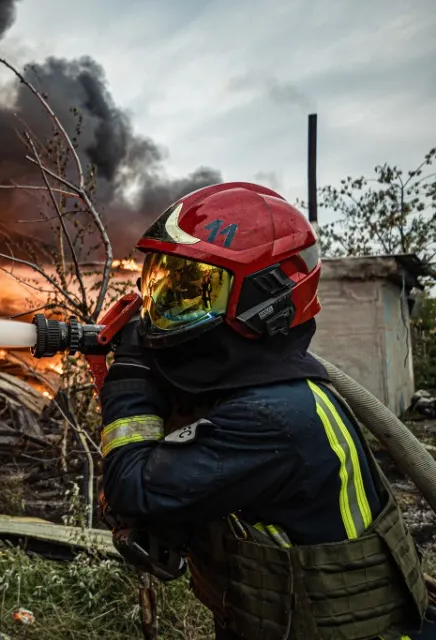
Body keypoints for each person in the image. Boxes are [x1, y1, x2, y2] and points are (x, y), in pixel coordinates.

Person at [97, 182, 436, 640]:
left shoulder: (273, 415)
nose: (161, 314)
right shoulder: (270, 388)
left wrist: (131, 374)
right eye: (164, 287)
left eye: (192, 292)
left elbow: (133, 486)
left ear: (263, 298)